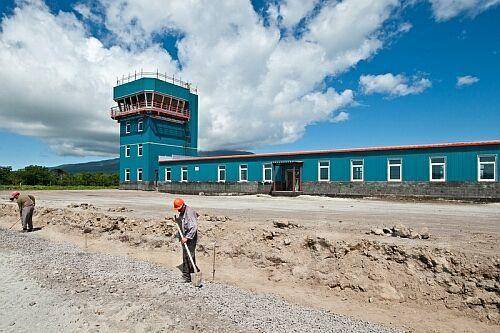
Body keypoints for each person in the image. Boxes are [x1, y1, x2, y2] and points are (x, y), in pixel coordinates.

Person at [173, 198, 199, 283]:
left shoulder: (189, 213)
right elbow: (183, 221)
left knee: (188, 256)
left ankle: (189, 275)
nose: (178, 210)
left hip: (191, 237)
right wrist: (177, 220)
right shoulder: (183, 211)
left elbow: (194, 227)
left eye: (179, 208)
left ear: (183, 205)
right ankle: (191, 273)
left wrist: (186, 238)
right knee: (187, 255)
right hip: (186, 235)